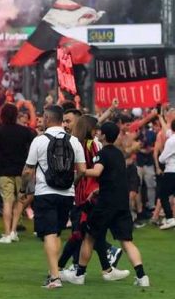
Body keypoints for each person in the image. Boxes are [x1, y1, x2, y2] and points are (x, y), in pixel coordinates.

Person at [61, 122, 150, 287]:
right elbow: (113, 179)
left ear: (103, 135)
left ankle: (79, 274)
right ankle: (142, 277)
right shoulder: (119, 154)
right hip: (121, 204)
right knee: (126, 241)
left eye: (100, 132)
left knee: (89, 237)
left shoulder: (102, 154)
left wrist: (82, 171)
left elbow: (97, 172)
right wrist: (97, 191)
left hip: (105, 205)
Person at [23, 104, 86, 289]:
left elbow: (28, 170)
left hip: (45, 193)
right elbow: (82, 169)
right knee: (56, 233)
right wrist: (71, 183)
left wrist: (24, 190)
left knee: (49, 234)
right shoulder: (74, 141)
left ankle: (55, 278)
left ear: (47, 118)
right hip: (67, 195)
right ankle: (54, 271)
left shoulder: (39, 141)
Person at [0, 102, 35, 243]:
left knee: (7, 202)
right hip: (22, 171)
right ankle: (13, 231)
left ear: (1, 115)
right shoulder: (25, 131)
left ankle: (7, 234)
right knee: (20, 201)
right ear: (16, 115)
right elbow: (34, 146)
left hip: (4, 171)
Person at [157, 115, 175, 229]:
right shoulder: (170, 137)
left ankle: (169, 218)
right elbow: (166, 130)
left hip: (171, 171)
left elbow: (161, 159)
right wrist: (160, 116)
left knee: (163, 195)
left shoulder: (171, 141)